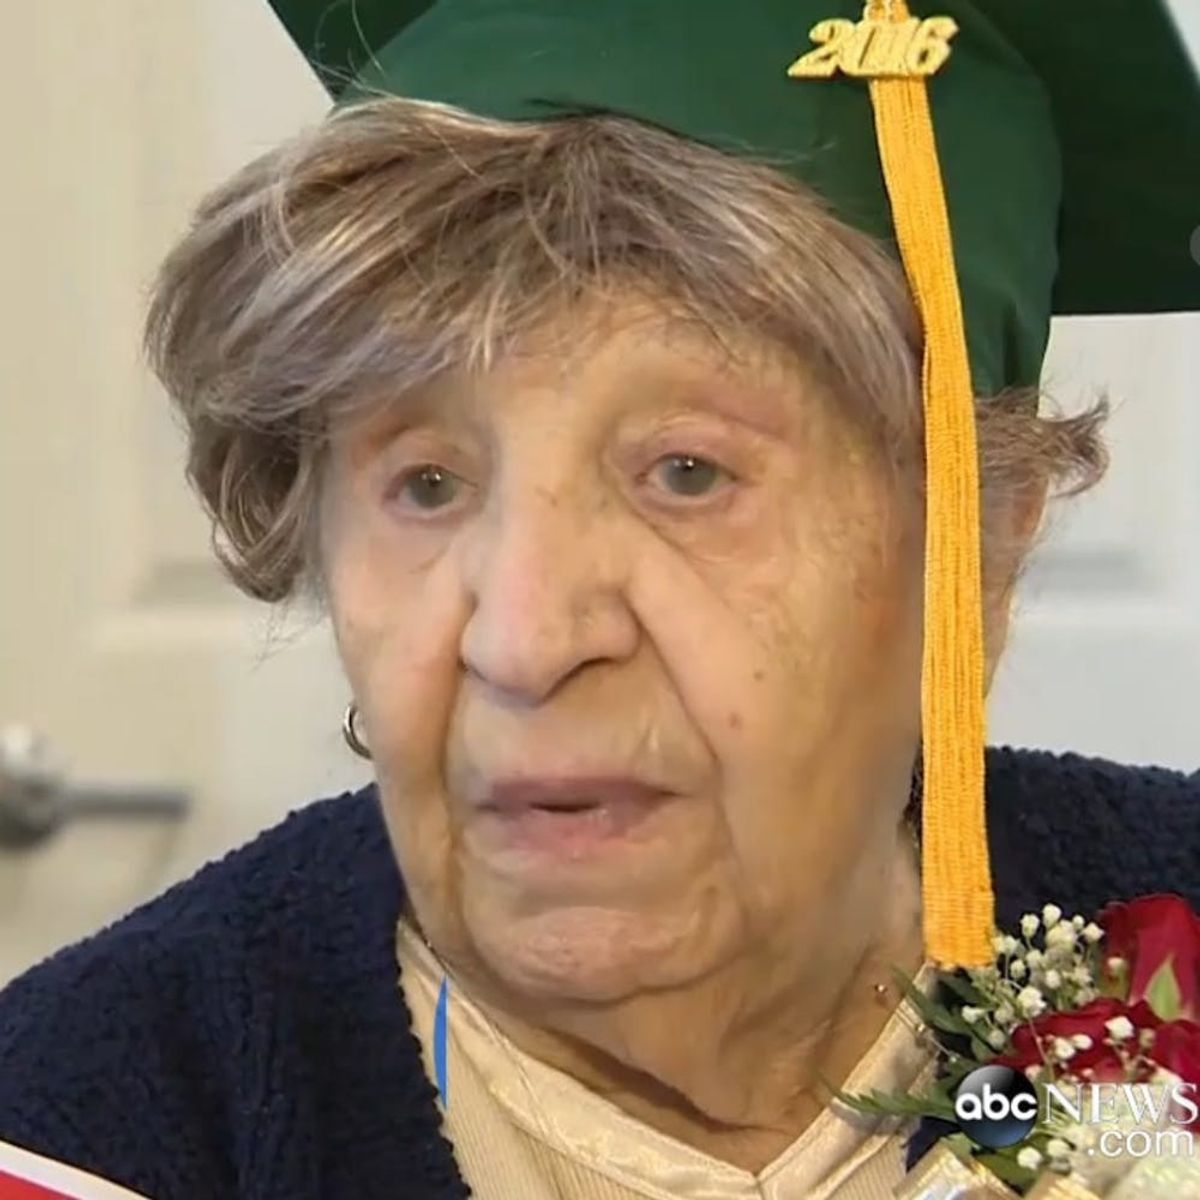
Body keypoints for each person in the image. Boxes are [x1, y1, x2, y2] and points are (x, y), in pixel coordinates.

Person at [1, 2, 1197, 1198]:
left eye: (688, 474)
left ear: (984, 537)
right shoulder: (83, 1134)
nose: (524, 640)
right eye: (425, 485)